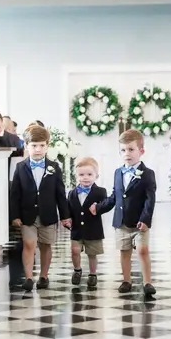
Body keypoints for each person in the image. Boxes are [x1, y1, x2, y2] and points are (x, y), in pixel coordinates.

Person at [90, 128, 157, 296]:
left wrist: (146, 219)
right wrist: (98, 208)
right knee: (124, 251)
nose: (127, 153)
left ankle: (147, 282)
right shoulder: (118, 172)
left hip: (140, 221)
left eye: (131, 149)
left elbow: (150, 199)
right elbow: (115, 196)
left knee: (143, 250)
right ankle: (126, 280)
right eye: (123, 150)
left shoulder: (148, 174)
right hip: (121, 221)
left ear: (141, 151)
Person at [9, 125, 71, 292]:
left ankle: (43, 275)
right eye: (34, 146)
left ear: (47, 145)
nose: (38, 149)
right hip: (27, 214)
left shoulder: (54, 167)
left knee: (45, 245)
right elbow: (15, 194)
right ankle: (29, 277)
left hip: (48, 213)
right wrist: (15, 215)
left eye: (42, 145)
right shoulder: (20, 167)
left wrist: (65, 215)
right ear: (26, 145)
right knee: (29, 244)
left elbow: (60, 193)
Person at [68, 157, 107, 287]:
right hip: (76, 228)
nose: (85, 177)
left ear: (96, 175)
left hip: (93, 229)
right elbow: (69, 208)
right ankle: (77, 270)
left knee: (92, 253)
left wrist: (99, 207)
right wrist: (66, 218)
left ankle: (92, 274)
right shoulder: (72, 193)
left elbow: (106, 205)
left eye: (89, 174)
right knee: (74, 251)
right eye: (81, 174)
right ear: (76, 176)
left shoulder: (100, 192)